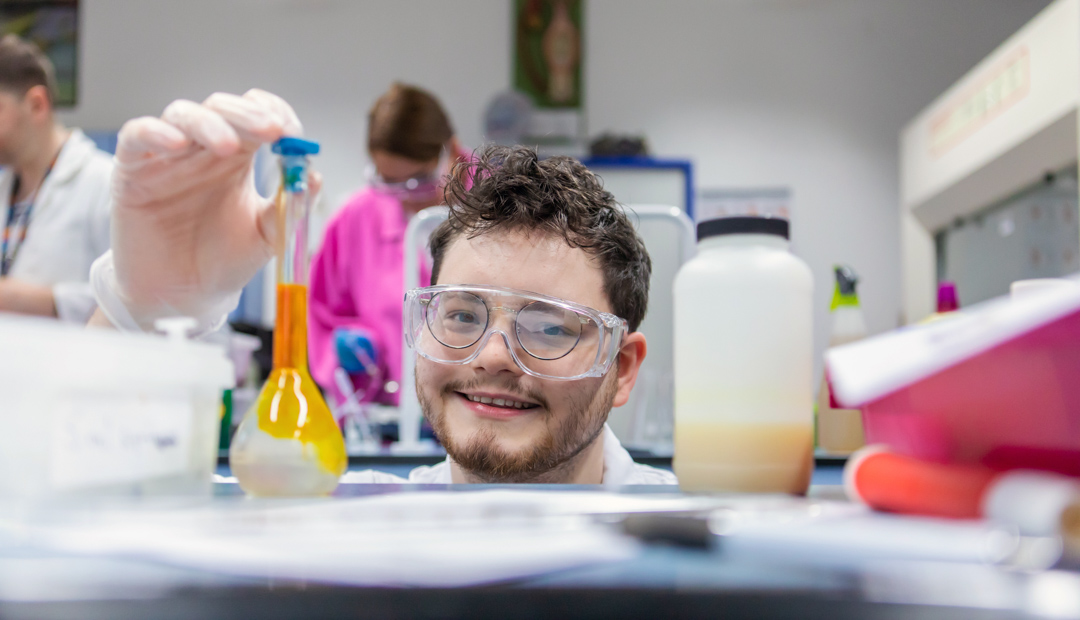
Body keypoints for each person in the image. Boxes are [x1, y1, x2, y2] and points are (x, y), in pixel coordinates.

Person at [88, 90, 676, 485]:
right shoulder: (359, 517)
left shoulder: (700, 534)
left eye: (548, 327)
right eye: (462, 316)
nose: (493, 354)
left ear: (621, 367)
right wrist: (136, 312)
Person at [309, 83, 470, 408]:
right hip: (388, 420)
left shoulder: (507, 205)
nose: (407, 196)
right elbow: (321, 317)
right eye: (390, 182)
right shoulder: (354, 219)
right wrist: (347, 351)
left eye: (421, 181)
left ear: (451, 151)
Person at [0, 35, 112, 323]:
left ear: (37, 104)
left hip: (78, 364)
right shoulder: (6, 187)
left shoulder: (105, 182)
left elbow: (140, 299)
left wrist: (42, 302)